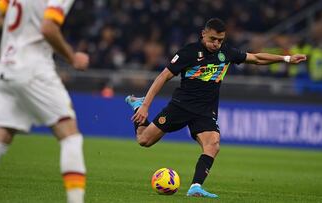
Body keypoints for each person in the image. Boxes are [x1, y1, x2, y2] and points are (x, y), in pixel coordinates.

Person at [125, 18, 306, 198]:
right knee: (144, 140)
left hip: (205, 111)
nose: (217, 44)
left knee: (213, 144)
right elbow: (163, 77)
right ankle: (137, 104)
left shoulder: (226, 53)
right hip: (181, 106)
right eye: (213, 39)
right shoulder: (188, 52)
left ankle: (195, 186)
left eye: (220, 40)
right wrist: (146, 106)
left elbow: (257, 58)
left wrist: (287, 58)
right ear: (203, 34)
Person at [0, 0, 89, 203]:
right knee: (70, 136)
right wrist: (72, 57)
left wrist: (21, 39)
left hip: (7, 67)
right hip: (34, 70)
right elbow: (48, 28)